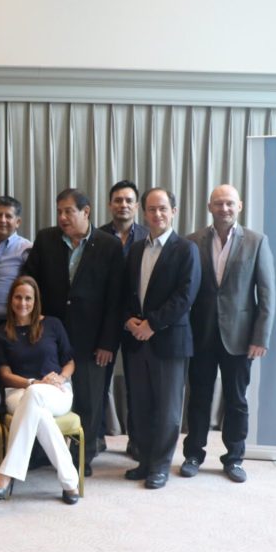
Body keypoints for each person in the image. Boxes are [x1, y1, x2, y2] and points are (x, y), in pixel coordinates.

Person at [24, 188, 124, 476]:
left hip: (92, 340)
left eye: (69, 211)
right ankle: (41, 452)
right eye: (59, 212)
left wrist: (107, 342)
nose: (62, 217)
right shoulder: (46, 239)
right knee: (46, 395)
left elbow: (115, 299)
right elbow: (30, 281)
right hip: (51, 338)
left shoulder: (108, 245)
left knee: (89, 400)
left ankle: (82, 456)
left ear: (86, 211)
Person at [181, 184, 275, 483]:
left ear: (240, 206)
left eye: (230, 203)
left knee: (236, 400)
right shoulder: (192, 241)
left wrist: (260, 337)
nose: (224, 209)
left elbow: (267, 293)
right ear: (210, 206)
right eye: (219, 203)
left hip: (240, 338)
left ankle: (234, 458)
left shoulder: (257, 241)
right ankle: (193, 454)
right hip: (201, 335)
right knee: (198, 398)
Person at [121, 188, 200, 490]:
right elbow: (126, 291)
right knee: (140, 406)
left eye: (163, 208)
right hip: (136, 339)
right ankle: (143, 460)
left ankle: (160, 466)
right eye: (152, 209)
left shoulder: (186, 249)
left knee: (168, 410)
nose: (157, 214)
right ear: (144, 213)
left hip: (168, 340)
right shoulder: (136, 249)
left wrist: (152, 324)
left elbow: (185, 296)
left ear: (173, 212)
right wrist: (128, 320)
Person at [0, 277, 81, 505]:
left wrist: (61, 377)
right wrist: (32, 383)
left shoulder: (53, 324)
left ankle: (6, 474)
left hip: (57, 391)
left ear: (36, 300)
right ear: (11, 300)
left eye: (28, 298)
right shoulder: (0, 333)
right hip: (18, 391)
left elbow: (69, 361)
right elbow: (5, 375)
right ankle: (70, 481)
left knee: (36, 398)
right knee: (39, 409)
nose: (23, 303)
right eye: (18, 297)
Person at [98, 180, 150, 459]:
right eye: (118, 200)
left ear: (137, 205)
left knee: (136, 385)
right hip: (104, 321)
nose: (123, 205)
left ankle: (137, 441)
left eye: (129, 200)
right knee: (99, 383)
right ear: (110, 205)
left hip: (136, 322)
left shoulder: (147, 236)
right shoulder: (96, 236)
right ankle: (96, 437)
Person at [0, 196, 32, 329]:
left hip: (13, 321)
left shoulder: (27, 248)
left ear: (18, 222)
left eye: (8, 216)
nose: (2, 220)